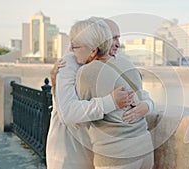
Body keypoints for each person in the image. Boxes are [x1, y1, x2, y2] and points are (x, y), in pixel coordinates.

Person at [47, 17, 154, 169]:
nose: (118, 43)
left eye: (118, 38)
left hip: (101, 151)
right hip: (71, 151)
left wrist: (147, 106)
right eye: (113, 37)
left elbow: (138, 92)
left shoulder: (114, 63)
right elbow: (70, 114)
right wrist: (112, 102)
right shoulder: (69, 63)